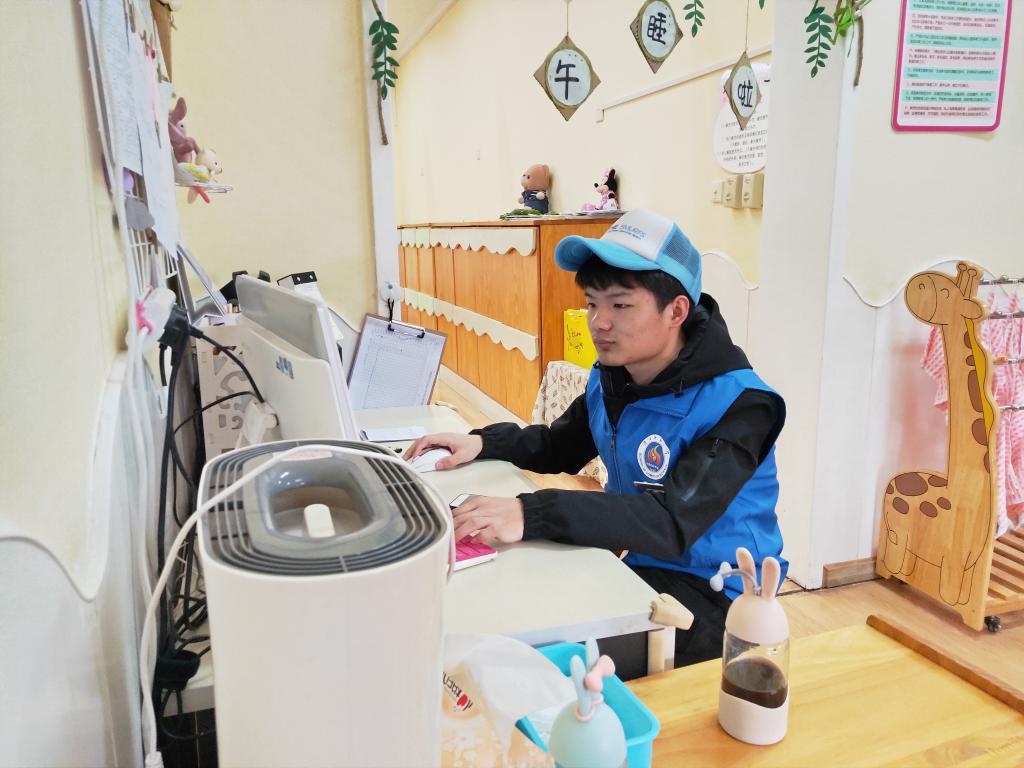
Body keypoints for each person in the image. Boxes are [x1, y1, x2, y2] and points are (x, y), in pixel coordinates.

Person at [405, 208, 787, 666]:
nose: (599, 322)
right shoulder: (614, 376)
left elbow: (672, 522)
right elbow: (561, 445)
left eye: (620, 305)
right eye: (591, 303)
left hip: (720, 595)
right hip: (643, 563)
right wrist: (484, 442)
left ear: (676, 311)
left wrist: (531, 512)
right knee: (507, 608)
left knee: (545, 659)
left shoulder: (742, 405)